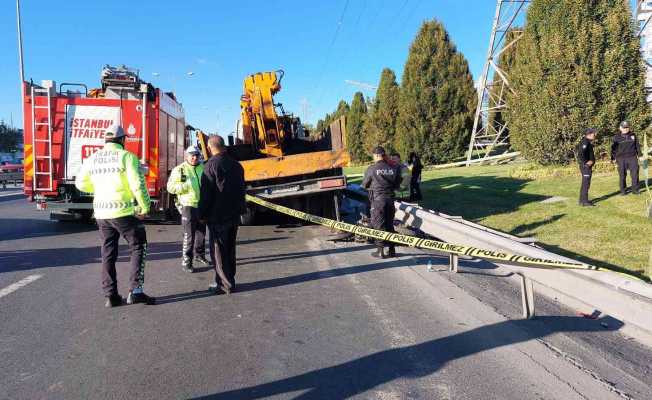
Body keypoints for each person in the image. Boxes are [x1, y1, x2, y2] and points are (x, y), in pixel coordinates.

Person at [75, 123, 155, 307]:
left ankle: (110, 295)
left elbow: (80, 183)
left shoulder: (93, 158)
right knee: (138, 246)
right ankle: (136, 291)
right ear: (122, 140)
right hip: (124, 211)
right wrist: (144, 206)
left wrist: (99, 188)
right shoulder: (127, 156)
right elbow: (137, 184)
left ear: (106, 140)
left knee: (108, 253)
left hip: (102, 213)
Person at [199, 136, 246, 294]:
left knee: (218, 251)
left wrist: (202, 214)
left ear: (210, 147)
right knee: (230, 249)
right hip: (234, 214)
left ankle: (224, 284)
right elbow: (241, 190)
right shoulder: (237, 166)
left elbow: (206, 194)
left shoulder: (210, 166)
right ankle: (229, 278)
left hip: (217, 216)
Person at [167, 145, 210, 273]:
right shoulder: (179, 170)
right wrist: (185, 186)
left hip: (201, 205)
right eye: (192, 155)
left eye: (196, 155)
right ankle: (186, 261)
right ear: (186, 156)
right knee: (189, 235)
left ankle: (199, 256)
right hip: (188, 205)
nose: (194, 157)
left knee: (201, 233)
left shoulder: (204, 168)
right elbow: (170, 188)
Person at [361, 146, 401, 259]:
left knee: (378, 225)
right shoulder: (394, 167)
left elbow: (364, 185)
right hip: (390, 201)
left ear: (376, 155)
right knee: (389, 225)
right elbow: (398, 185)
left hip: (378, 201)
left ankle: (380, 251)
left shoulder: (372, 168)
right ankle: (392, 249)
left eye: (373, 156)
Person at [611, 121, 641, 195]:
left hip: (632, 157)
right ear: (620, 128)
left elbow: (637, 146)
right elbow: (613, 149)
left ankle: (635, 190)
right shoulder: (616, 137)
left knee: (635, 175)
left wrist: (640, 155)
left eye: (627, 127)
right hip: (621, 159)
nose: (626, 129)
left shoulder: (633, 135)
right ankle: (623, 190)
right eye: (624, 127)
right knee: (622, 175)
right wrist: (613, 158)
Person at [576, 128, 597, 207]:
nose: (594, 135)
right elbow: (580, 154)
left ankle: (582, 200)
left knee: (585, 183)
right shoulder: (585, 143)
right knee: (586, 184)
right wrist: (586, 163)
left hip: (586, 166)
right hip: (586, 167)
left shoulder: (587, 142)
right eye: (593, 133)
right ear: (589, 134)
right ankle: (585, 201)